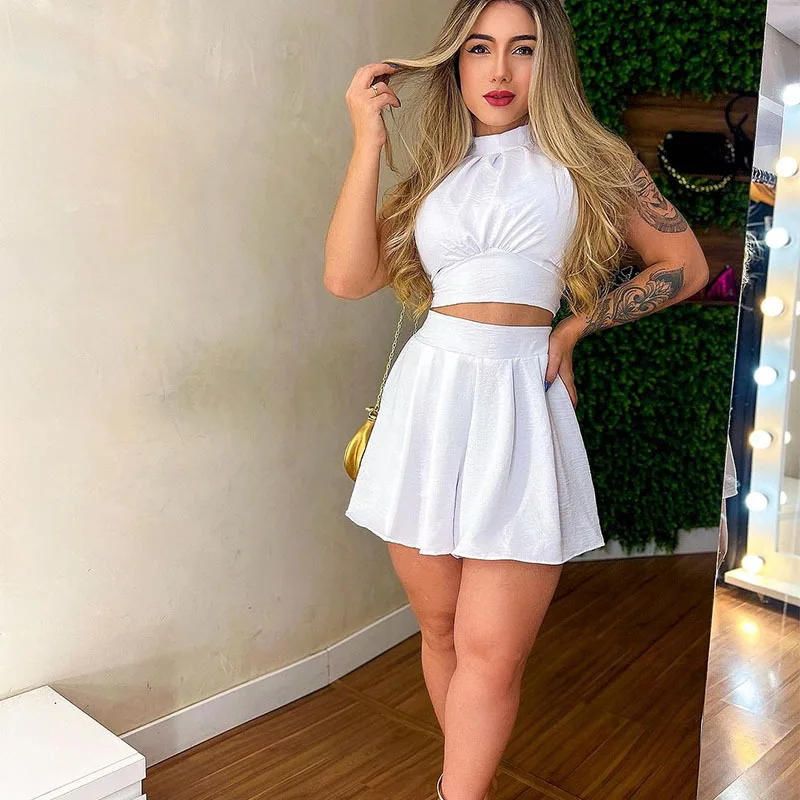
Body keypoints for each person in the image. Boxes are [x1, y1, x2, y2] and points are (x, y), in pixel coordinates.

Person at [324, 2, 710, 798]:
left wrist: (573, 328)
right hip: (429, 403)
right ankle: (462, 783)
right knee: (441, 630)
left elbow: (684, 265)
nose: (499, 70)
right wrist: (368, 142)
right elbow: (349, 278)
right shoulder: (436, 171)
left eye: (523, 49)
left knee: (493, 651)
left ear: (550, 61)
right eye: (480, 49)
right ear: (456, 62)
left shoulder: (594, 160)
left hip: (522, 404)